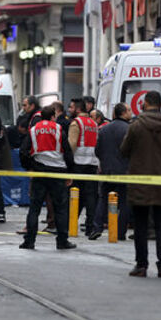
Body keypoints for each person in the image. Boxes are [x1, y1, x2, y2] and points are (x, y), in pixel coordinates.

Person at [120, 91, 161, 277]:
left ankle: (142, 265)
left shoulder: (136, 126)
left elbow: (124, 150)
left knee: (141, 225)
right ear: (160, 104)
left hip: (141, 182)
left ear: (145, 104)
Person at [19, 105, 75, 250]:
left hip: (40, 171)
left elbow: (23, 152)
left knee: (34, 208)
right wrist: (69, 173)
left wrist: (30, 167)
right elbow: (67, 152)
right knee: (60, 209)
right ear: (53, 116)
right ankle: (62, 241)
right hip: (58, 172)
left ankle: (29, 241)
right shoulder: (58, 129)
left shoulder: (33, 130)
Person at [91, 102, 132, 241]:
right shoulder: (129, 129)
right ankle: (120, 232)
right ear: (124, 113)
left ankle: (97, 228)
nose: (131, 113)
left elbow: (97, 150)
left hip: (107, 170)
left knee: (103, 199)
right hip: (125, 171)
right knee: (124, 202)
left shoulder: (104, 129)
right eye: (129, 110)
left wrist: (104, 162)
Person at [67, 98, 99, 238]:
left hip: (78, 164)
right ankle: (90, 227)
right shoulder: (93, 123)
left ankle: (70, 224)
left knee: (75, 195)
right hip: (92, 164)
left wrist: (67, 163)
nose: (70, 110)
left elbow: (71, 145)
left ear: (78, 109)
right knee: (91, 196)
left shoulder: (76, 123)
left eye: (72, 107)